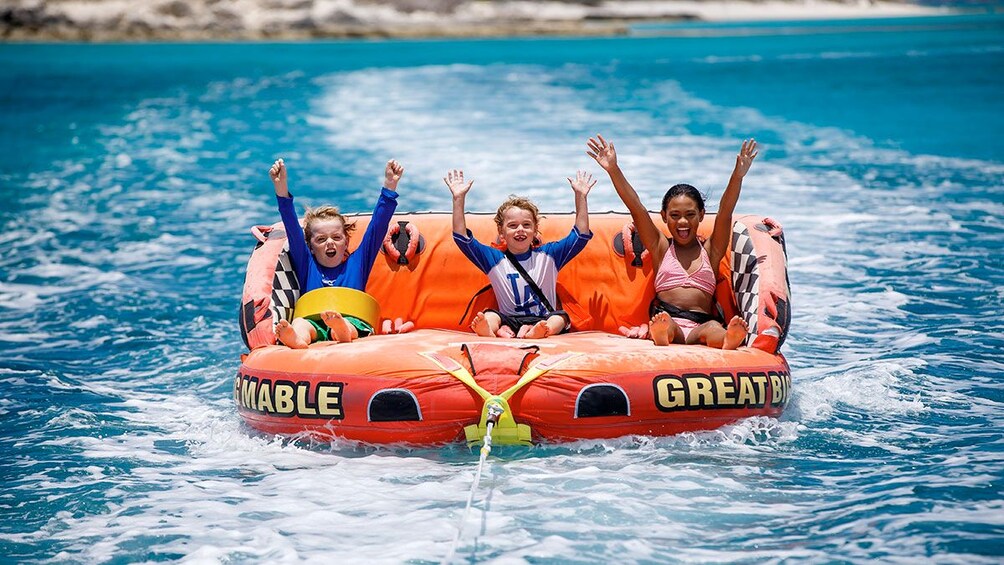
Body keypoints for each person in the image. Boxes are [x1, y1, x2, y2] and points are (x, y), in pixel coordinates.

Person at [586, 135, 757, 348]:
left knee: (713, 328)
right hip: (669, 321)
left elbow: (725, 213)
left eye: (690, 214)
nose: (682, 221)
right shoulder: (661, 249)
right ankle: (661, 335)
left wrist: (737, 176)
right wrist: (613, 169)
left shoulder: (711, 252)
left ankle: (727, 339)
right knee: (666, 323)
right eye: (675, 215)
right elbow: (636, 206)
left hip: (700, 324)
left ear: (702, 215)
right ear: (664, 216)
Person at [269, 157, 410, 348]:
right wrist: (281, 188)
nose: (329, 243)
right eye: (321, 239)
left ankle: (341, 331)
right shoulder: (307, 264)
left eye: (336, 237)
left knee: (346, 326)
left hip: (352, 321)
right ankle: (298, 340)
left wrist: (390, 185)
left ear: (346, 242)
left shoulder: (358, 262)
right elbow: (292, 226)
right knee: (300, 324)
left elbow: (377, 226)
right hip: (315, 321)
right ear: (310, 246)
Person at [445, 168, 594, 339]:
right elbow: (461, 238)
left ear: (535, 230)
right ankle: (489, 330)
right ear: (501, 232)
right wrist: (458, 198)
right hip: (509, 320)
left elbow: (580, 236)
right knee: (490, 315)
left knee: (560, 317)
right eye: (513, 226)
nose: (520, 230)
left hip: (543, 319)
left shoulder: (550, 256)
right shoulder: (493, 259)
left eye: (526, 225)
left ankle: (539, 332)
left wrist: (580, 196)